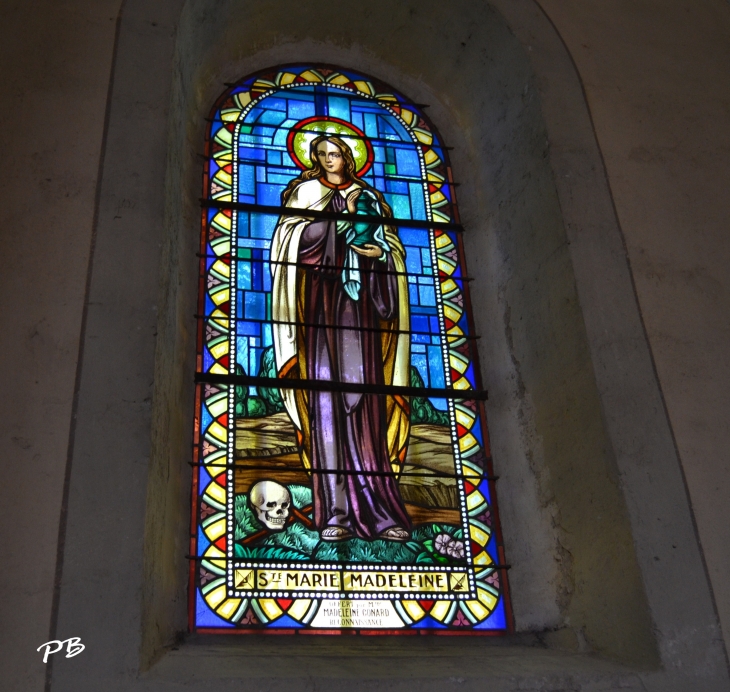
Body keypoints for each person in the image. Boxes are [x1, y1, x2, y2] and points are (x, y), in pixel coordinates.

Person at [270, 135, 411, 542]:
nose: (330, 160)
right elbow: (289, 244)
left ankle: (379, 510)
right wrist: (336, 227)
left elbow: (393, 253)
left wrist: (378, 255)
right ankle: (335, 513)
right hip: (320, 314)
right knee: (328, 403)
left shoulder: (370, 197)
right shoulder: (305, 193)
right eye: (323, 155)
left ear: (349, 158)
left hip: (363, 319)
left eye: (336, 154)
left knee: (366, 406)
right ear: (314, 159)